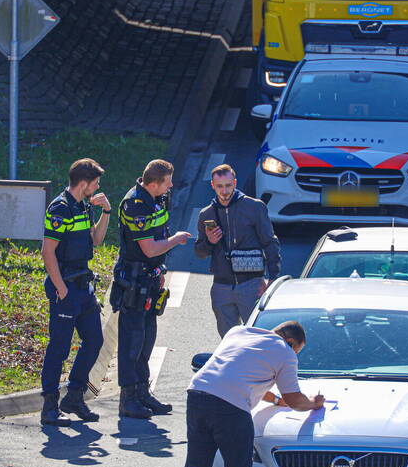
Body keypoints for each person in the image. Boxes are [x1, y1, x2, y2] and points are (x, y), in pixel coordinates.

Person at [176, 321, 324, 467]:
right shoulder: (285, 353)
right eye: (297, 350)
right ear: (291, 342)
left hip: (198, 395)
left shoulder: (238, 332)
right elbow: (295, 399)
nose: (294, 354)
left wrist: (275, 400)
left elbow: (238, 373)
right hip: (231, 409)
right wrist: (312, 404)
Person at [112, 159, 192, 419]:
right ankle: (128, 399)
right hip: (134, 281)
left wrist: (160, 272)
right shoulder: (136, 205)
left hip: (149, 278)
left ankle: (143, 394)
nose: (171, 185)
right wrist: (176, 240)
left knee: (147, 338)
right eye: (168, 181)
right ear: (155, 183)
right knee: (132, 342)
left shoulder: (156, 199)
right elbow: (150, 248)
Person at [39, 158, 111, 426]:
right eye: (96, 183)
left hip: (83, 286)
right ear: (84, 183)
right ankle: (49, 407)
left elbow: (96, 240)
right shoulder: (60, 208)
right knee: (59, 348)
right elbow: (48, 252)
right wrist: (61, 289)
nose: (98, 186)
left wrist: (106, 212)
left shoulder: (83, 205)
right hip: (66, 287)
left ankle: (75, 396)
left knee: (94, 340)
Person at [195, 164, 281, 338]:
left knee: (257, 338)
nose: (224, 191)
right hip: (221, 286)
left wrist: (273, 277)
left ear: (235, 183)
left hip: (251, 283)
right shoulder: (207, 214)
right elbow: (200, 252)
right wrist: (210, 242)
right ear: (213, 186)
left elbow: (270, 242)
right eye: (219, 186)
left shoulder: (254, 207)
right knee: (228, 341)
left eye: (228, 185)